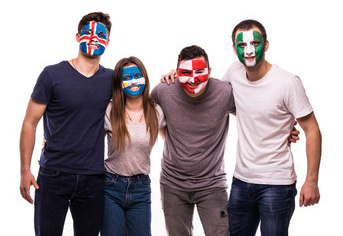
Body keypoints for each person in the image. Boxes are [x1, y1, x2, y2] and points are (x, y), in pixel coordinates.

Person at [224, 19, 322, 236]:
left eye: (255, 43)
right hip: (241, 180)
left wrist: (312, 180)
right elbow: (221, 103)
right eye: (242, 45)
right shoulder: (233, 72)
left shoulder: (288, 82)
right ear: (234, 49)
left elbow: (312, 130)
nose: (249, 50)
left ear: (266, 45)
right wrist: (175, 77)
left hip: (276, 184)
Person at [19, 12, 113, 236]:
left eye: (101, 35)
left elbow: (140, 92)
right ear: (77, 36)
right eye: (88, 33)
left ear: (108, 42)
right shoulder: (52, 75)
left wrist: (172, 76)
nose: (94, 38)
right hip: (53, 175)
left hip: (93, 177)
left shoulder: (112, 79)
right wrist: (24, 170)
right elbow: (29, 123)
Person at [152, 45, 235, 236]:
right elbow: (143, 116)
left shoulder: (225, 93)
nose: (193, 78)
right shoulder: (164, 90)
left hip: (212, 184)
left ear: (210, 71)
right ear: (177, 72)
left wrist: (285, 129)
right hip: (173, 183)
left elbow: (253, 116)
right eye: (185, 72)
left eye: (199, 71)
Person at [100, 56, 165, 236]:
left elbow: (174, 143)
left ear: (144, 77)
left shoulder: (157, 111)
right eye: (127, 78)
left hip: (141, 187)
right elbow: (88, 140)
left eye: (137, 75)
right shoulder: (110, 110)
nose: (133, 81)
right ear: (119, 83)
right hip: (110, 186)